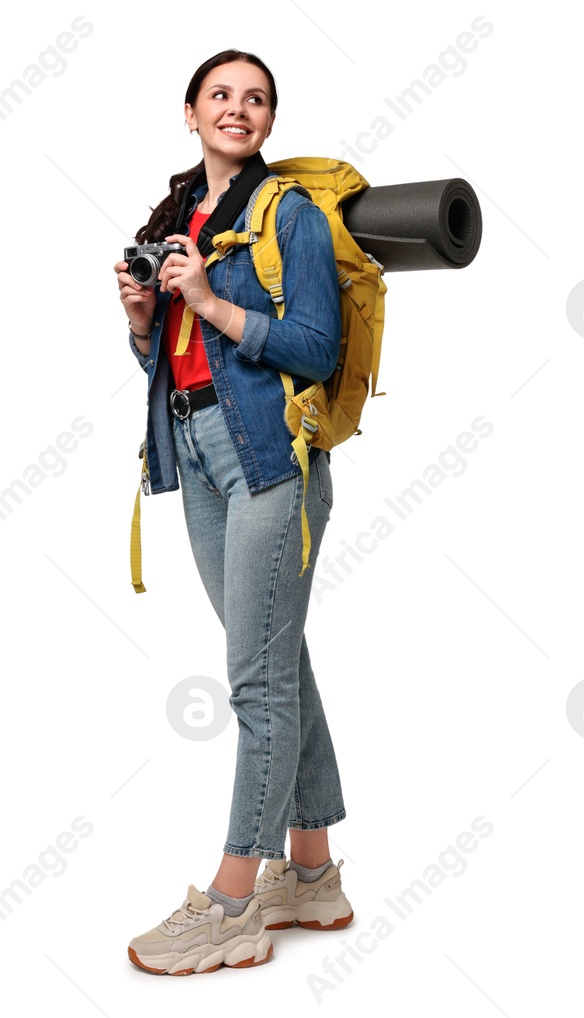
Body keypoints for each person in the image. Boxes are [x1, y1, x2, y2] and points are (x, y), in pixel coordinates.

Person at [115, 49, 354, 975]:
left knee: (255, 678)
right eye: (221, 95)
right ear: (190, 112)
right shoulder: (184, 219)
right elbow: (167, 365)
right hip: (197, 446)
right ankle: (312, 871)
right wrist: (146, 319)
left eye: (255, 99)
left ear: (268, 122)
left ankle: (231, 902)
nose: (238, 109)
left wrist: (209, 301)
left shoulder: (286, 213)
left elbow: (317, 344)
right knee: (276, 658)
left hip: (270, 457)